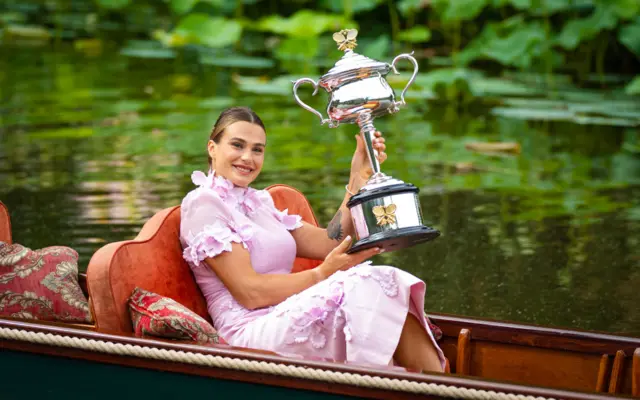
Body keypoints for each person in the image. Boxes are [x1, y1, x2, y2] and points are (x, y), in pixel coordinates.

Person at [179, 106, 445, 372]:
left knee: (384, 279)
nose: (248, 157)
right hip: (248, 333)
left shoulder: (259, 202)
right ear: (212, 148)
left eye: (257, 149)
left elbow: (330, 241)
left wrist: (357, 179)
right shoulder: (204, 204)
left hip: (286, 311)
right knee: (366, 282)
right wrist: (324, 273)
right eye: (237, 145)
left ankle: (437, 386)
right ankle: (430, 387)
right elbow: (251, 293)